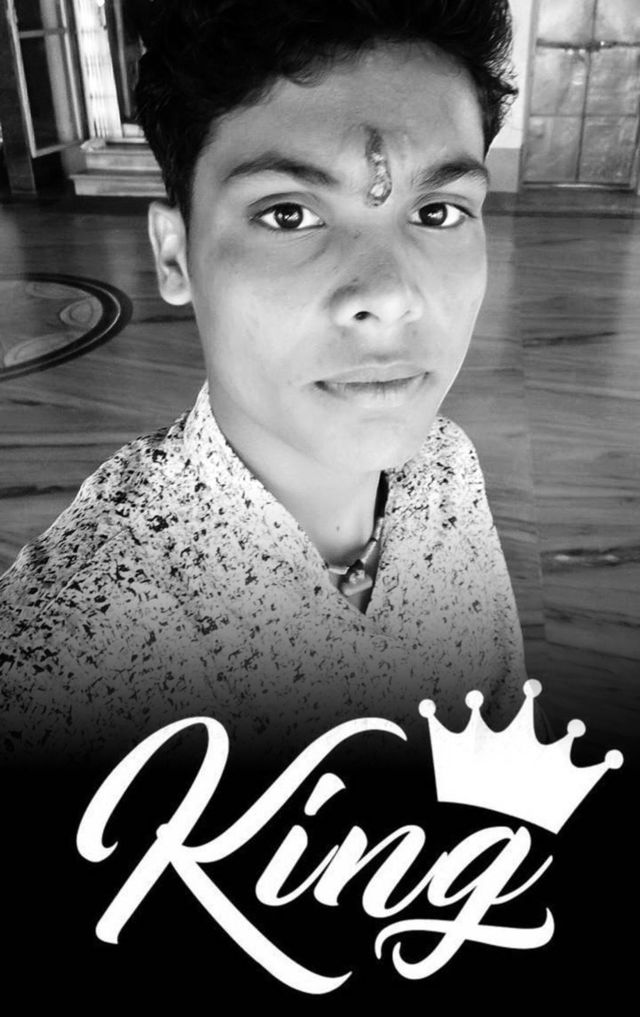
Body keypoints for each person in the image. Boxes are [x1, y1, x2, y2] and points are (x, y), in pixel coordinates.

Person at [0, 0, 527, 777]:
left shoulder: (446, 467)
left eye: (439, 210)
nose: (388, 295)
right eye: (287, 214)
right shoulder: (63, 661)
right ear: (174, 255)